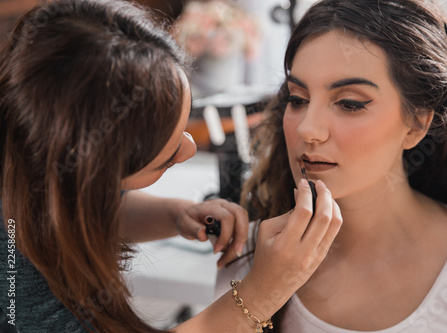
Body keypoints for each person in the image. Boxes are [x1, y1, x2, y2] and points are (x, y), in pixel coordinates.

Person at [0, 0, 343, 332]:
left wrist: (175, 215)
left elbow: (85, 204)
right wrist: (262, 294)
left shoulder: (45, 167)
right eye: (166, 151)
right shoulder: (13, 254)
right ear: (93, 162)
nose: (189, 149)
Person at [216, 0, 447, 332]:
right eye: (297, 99)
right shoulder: (253, 253)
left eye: (349, 104)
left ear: (417, 124)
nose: (308, 129)